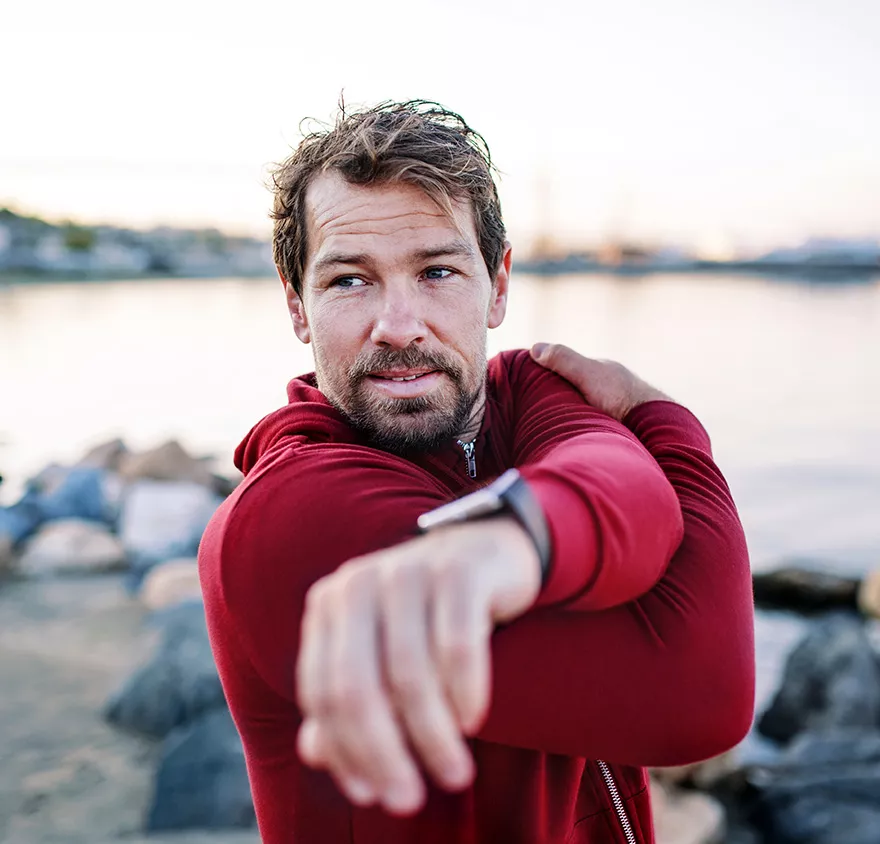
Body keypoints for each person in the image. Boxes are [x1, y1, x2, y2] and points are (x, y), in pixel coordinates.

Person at [198, 100, 755, 844]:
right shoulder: (288, 518)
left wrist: (515, 537)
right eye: (348, 282)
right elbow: (699, 701)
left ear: (497, 286)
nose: (399, 325)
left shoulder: (526, 391)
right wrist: (669, 425)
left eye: (436, 271)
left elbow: (624, 480)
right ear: (297, 305)